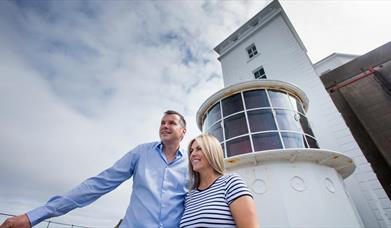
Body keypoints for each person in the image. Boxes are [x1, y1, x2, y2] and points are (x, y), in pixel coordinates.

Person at [1, 110, 188, 228]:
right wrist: (35, 216)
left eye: (171, 123)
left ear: (183, 132)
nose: (164, 126)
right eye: (162, 122)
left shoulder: (191, 165)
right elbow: (99, 184)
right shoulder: (141, 153)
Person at [180, 133, 259, 228]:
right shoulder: (190, 195)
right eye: (191, 151)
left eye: (199, 149)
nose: (192, 154)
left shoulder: (231, 183)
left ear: (212, 152)